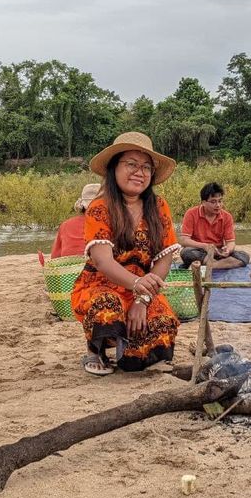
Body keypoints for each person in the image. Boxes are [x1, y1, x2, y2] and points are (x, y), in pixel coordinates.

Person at [71, 132, 182, 376]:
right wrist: (137, 284)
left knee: (163, 323)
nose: (139, 172)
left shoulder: (159, 206)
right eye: (131, 164)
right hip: (103, 285)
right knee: (106, 307)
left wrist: (142, 299)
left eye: (146, 167)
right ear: (114, 168)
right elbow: (102, 260)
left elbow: (165, 257)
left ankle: (127, 351)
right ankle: (95, 348)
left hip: (142, 289)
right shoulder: (100, 208)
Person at [178, 182, 250, 270]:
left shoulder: (227, 216)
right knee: (186, 253)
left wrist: (228, 250)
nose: (218, 205)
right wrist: (205, 246)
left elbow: (231, 242)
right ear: (203, 202)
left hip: (218, 253)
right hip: (201, 252)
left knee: (244, 256)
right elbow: (184, 240)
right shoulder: (191, 214)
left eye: (220, 201)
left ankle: (211, 266)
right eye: (213, 202)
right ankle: (219, 265)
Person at [50, 183, 101, 258]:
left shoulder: (65, 225)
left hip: (70, 267)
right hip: (96, 266)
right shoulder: (109, 223)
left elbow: (55, 256)